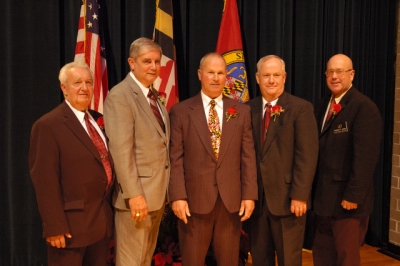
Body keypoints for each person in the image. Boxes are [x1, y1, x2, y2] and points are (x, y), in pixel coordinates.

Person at [168, 52, 258, 266]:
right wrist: (178, 196)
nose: (216, 78)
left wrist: (249, 195)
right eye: (211, 73)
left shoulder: (241, 112)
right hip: (193, 203)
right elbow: (175, 158)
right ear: (200, 75)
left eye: (221, 73)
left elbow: (248, 156)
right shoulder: (181, 111)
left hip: (230, 203)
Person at [29, 61, 114, 266]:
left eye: (88, 82)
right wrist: (54, 226)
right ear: (64, 88)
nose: (84, 88)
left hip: (100, 223)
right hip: (69, 230)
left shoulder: (96, 119)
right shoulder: (48, 125)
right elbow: (45, 181)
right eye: (77, 83)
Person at [246, 55, 319, 266]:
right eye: (266, 75)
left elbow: (307, 155)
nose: (271, 80)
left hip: (288, 201)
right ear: (258, 78)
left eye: (276, 75)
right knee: (260, 258)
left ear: (284, 77)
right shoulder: (247, 109)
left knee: (289, 259)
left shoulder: (300, 108)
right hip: (257, 202)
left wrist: (300, 195)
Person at [103, 37, 170, 266]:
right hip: (137, 198)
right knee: (131, 262)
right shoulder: (120, 96)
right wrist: (134, 195)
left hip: (156, 196)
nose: (153, 67)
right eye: (146, 61)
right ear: (132, 63)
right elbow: (121, 150)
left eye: (157, 61)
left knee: (143, 260)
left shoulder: (153, 96)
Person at [312, 54, 382, 265]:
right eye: (330, 72)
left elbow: (365, 158)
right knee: (323, 256)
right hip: (324, 200)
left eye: (340, 71)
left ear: (351, 74)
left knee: (346, 258)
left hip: (348, 203)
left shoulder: (363, 107)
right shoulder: (323, 104)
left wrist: (353, 195)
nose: (335, 76)